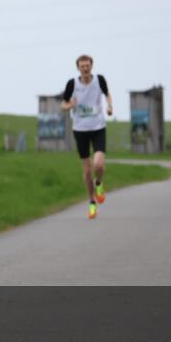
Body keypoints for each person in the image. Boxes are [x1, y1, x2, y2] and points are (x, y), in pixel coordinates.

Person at [59, 55, 113, 220]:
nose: (85, 68)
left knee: (98, 164)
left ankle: (99, 184)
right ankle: (91, 202)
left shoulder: (99, 80)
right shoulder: (72, 84)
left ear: (91, 66)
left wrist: (110, 105)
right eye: (82, 66)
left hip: (98, 127)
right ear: (78, 68)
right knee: (87, 169)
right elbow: (63, 104)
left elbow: (107, 94)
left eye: (87, 65)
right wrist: (70, 105)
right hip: (80, 129)